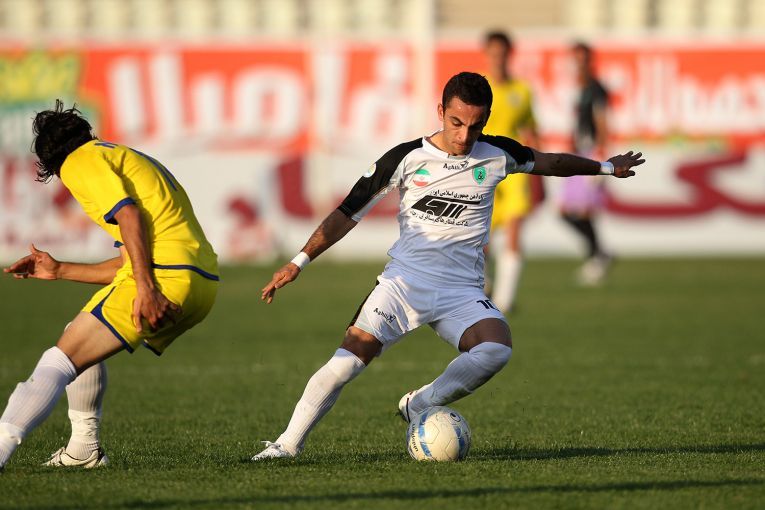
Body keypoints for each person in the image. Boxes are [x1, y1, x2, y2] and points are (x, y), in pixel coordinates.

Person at [251, 72, 644, 460]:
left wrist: (606, 168)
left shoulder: (497, 154)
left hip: (461, 291)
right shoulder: (406, 158)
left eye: (475, 126)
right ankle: (286, 445)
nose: (464, 135)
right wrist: (299, 261)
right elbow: (347, 212)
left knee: (496, 349)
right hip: (404, 285)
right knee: (345, 364)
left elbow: (551, 161)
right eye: (456, 122)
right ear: (440, 111)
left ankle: (421, 403)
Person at [0, 101, 219, 470]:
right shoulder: (124, 156)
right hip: (200, 282)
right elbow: (127, 262)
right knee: (78, 337)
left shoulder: (79, 162)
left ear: (51, 163)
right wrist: (60, 270)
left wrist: (146, 289)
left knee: (58, 360)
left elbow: (128, 215)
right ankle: (83, 449)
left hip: (164, 276)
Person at [482, 30, 542, 313]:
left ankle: (505, 300)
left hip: (514, 170)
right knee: (481, 238)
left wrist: (540, 172)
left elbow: (531, 131)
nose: (498, 58)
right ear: (487, 54)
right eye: (493, 53)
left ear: (509, 54)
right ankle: (483, 287)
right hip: (482, 170)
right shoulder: (479, 89)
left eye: (502, 53)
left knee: (515, 228)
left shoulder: (522, 90)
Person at [560, 41, 612, 285]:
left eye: (582, 59)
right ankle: (599, 252)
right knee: (566, 211)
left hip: (591, 152)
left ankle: (596, 256)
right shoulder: (580, 89)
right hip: (579, 151)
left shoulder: (596, 89)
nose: (579, 64)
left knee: (583, 210)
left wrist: (601, 154)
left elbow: (602, 121)